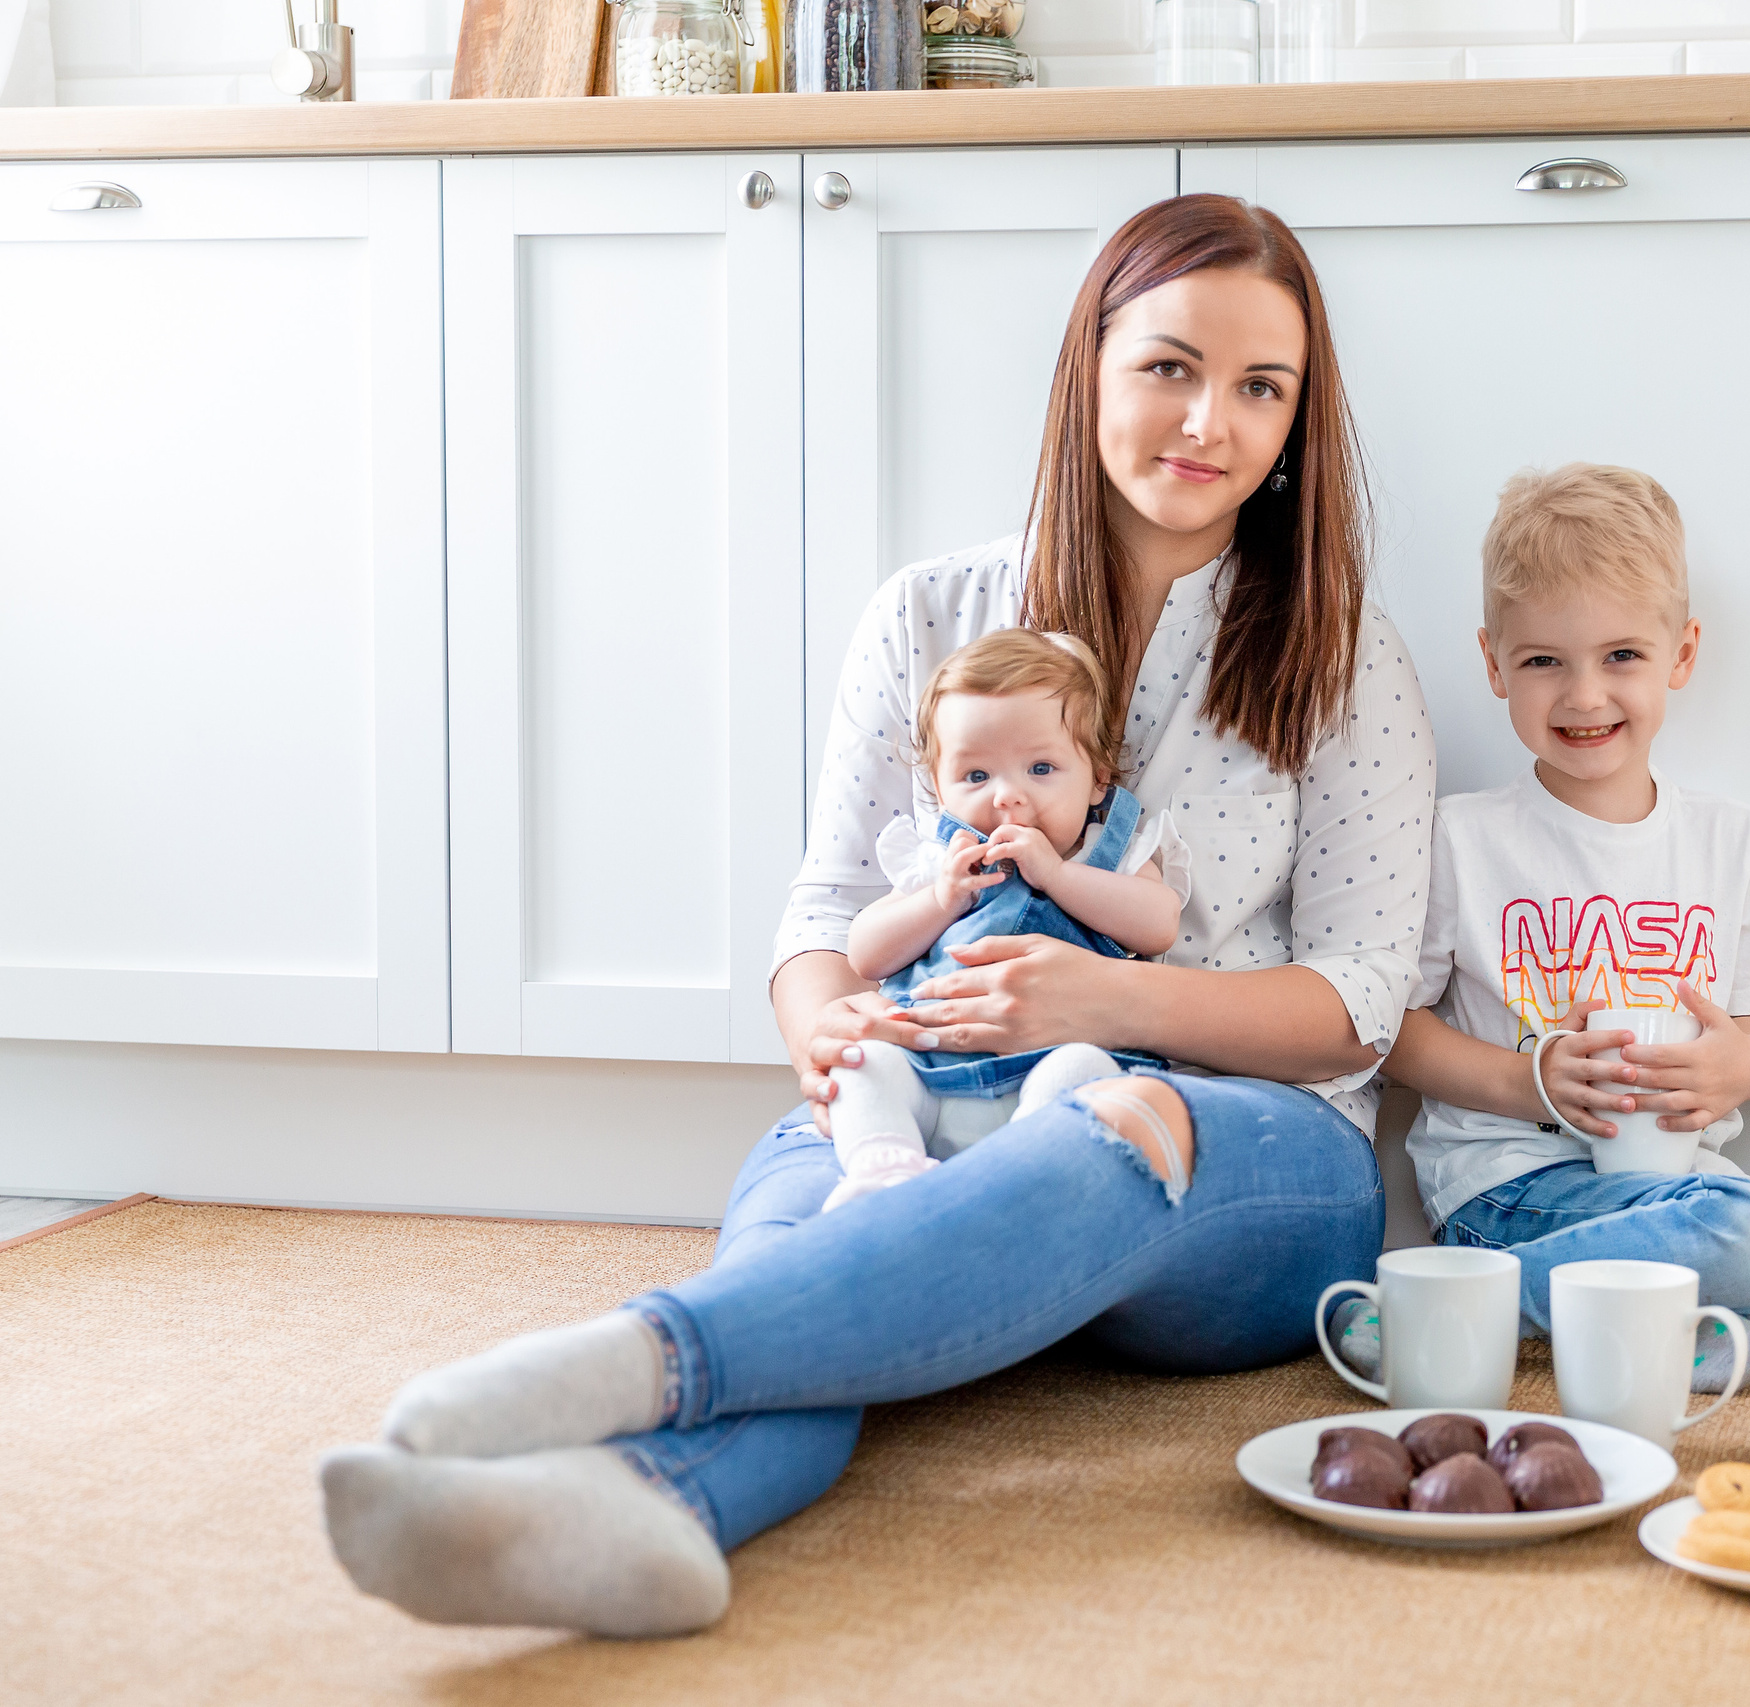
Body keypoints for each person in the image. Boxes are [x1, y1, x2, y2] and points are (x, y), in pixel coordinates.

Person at [315, 194, 1433, 1639]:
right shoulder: (929, 610)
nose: (1209, 420)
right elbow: (826, 909)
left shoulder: (1343, 655)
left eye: (1261, 387)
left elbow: (1358, 1001)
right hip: (937, 1087)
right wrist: (836, 1034)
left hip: (1245, 1151)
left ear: (1296, 420)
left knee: (1111, 1122)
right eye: (1168, 366)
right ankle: (648, 1509)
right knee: (816, 1215)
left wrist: (1107, 1004)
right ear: (1088, 369)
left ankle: (633, 1361)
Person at [1364, 463, 1750, 1396]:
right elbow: (1390, 1032)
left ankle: (1691, 1322)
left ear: (1682, 653)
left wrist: (1732, 1069)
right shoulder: (1462, 838)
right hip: (1513, 1190)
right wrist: (1531, 1079)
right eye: (1544, 661)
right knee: (1749, 1234)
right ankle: (1457, 1308)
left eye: (1621, 655)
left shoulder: (1729, 840)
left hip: (1686, 1191)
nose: (1585, 696)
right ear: (1495, 664)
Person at [823, 628, 1186, 1210]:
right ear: (939, 788)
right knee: (862, 1065)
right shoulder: (939, 862)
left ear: (1098, 776)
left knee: (1087, 1070)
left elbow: (1158, 924)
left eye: (1041, 768)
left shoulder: (1107, 854)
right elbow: (865, 952)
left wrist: (1059, 877)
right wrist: (941, 899)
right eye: (976, 776)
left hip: (1047, 1078)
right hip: (930, 1072)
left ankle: (1027, 1179)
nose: (1007, 797)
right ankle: (885, 1167)